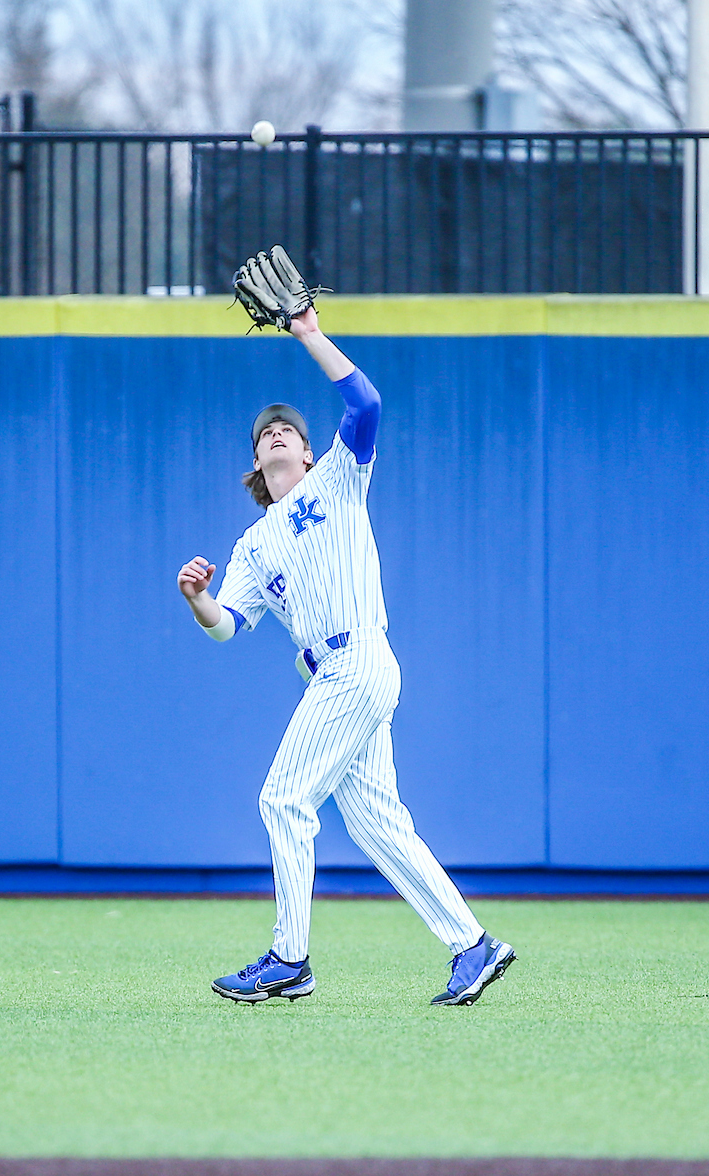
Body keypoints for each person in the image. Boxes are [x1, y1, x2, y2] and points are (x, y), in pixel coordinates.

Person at [177, 308, 516, 1007]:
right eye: (265, 431)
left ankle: (289, 958)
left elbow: (366, 402)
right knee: (375, 822)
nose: (277, 432)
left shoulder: (337, 480)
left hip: (358, 660)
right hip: (335, 674)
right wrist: (197, 600)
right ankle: (473, 946)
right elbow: (227, 626)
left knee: (283, 797)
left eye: (289, 429)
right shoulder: (253, 543)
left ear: (307, 454)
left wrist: (307, 332)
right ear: (258, 464)